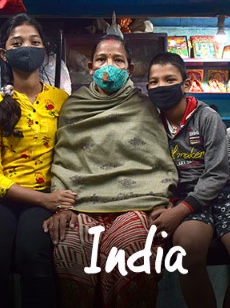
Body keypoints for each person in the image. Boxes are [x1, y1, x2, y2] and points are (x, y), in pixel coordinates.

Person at [42, 34, 178, 308]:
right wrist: (62, 205)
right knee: (70, 247)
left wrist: (159, 200)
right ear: (91, 67)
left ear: (130, 69)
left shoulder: (145, 106)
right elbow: (64, 159)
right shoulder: (73, 106)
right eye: (102, 59)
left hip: (136, 205)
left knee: (131, 246)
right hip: (81, 206)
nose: (109, 66)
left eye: (118, 60)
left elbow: (157, 159)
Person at [0, 13, 73, 308]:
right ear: (4, 53)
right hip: (0, 200)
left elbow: (76, 155)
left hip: (46, 196)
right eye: (17, 43)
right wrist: (46, 202)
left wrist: (57, 201)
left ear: (44, 51)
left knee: (34, 255)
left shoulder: (63, 102)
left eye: (34, 41)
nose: (26, 47)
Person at [146, 52, 230, 308]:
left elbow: (217, 173)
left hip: (225, 192)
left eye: (169, 79)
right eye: (154, 82)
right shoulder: (152, 124)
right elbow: (152, 169)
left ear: (186, 85)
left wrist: (179, 212)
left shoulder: (206, 117)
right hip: (182, 195)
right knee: (187, 249)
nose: (161, 86)